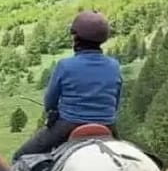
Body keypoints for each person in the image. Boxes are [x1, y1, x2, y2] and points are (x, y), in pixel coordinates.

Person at [13, 10, 122, 160]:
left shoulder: (65, 65)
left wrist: (52, 111)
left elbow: (50, 101)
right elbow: (116, 101)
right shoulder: (114, 65)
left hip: (69, 124)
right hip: (107, 125)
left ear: (76, 38)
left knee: (21, 156)